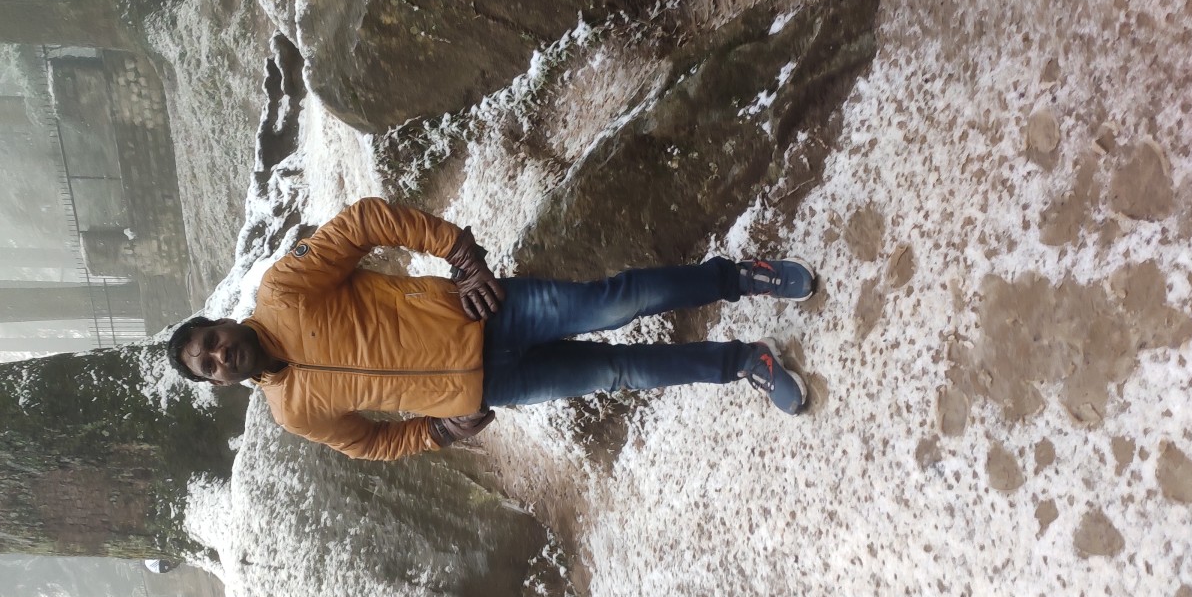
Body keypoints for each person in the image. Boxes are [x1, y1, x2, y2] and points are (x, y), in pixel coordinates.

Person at [167, 197, 813, 461]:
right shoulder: (292, 412)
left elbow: (364, 222)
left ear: (221, 322)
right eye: (208, 365)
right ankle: (743, 362)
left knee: (618, 301)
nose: (220, 355)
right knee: (620, 372)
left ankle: (740, 277)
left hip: (485, 311)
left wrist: (459, 252)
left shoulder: (283, 290)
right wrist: (437, 433)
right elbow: (368, 443)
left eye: (211, 342)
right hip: (491, 388)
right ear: (217, 383)